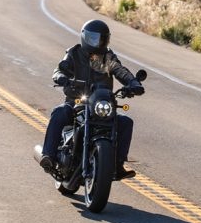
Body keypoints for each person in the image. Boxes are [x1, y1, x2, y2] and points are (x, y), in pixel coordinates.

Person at [40, 19, 143, 180]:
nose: (97, 42)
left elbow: (120, 70)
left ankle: (117, 164)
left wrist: (133, 83)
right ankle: (49, 156)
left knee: (125, 122)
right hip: (77, 101)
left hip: (101, 104)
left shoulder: (107, 57)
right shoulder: (74, 53)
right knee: (60, 112)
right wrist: (61, 77)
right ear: (85, 37)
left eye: (101, 39)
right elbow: (59, 69)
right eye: (93, 38)